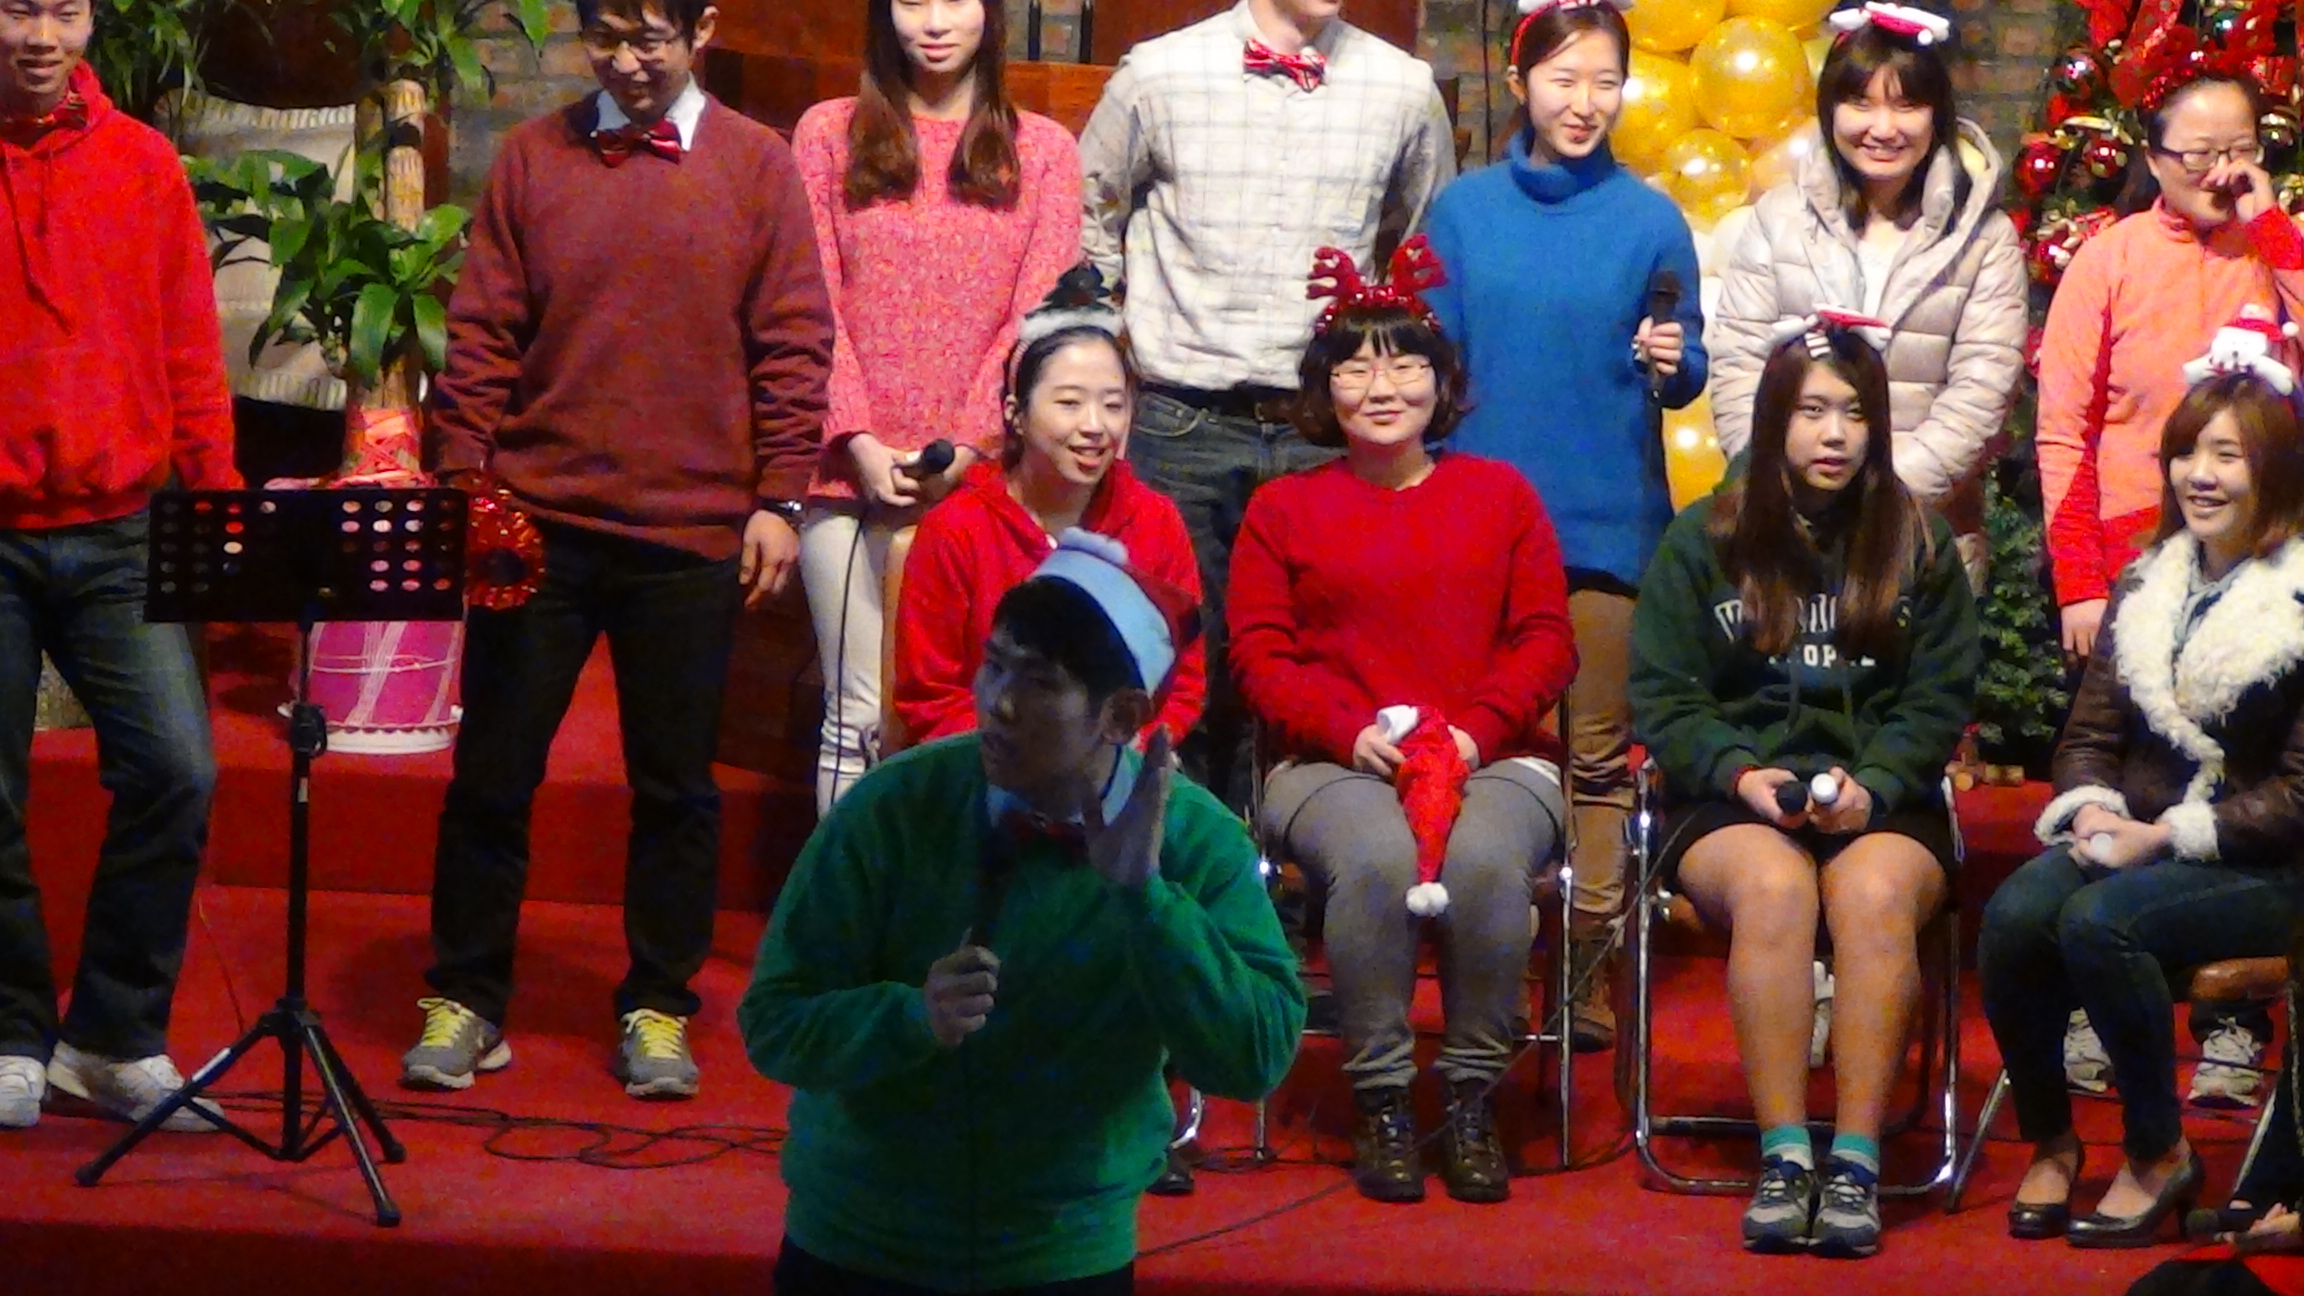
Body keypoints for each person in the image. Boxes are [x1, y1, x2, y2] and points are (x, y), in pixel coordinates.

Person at [405, 0, 832, 1100]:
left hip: (690, 529)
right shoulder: (533, 157)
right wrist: (462, 479)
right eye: (607, 39)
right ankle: (466, 997)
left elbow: (792, 338)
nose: (630, 62)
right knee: (492, 775)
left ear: (704, 30)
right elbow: (483, 329)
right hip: (537, 519)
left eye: (652, 40)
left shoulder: (758, 164)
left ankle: (656, 1006)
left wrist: (780, 496)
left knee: (676, 789)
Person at [741, 531, 1303, 1296]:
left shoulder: (1193, 840)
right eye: (994, 664)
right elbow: (774, 1024)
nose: (998, 703)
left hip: (1064, 1253)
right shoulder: (896, 805)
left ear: (1121, 715)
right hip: (859, 1237)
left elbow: (1253, 1058)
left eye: (1039, 683)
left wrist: (1147, 900)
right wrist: (909, 1018)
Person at [1230, 240, 1575, 1204]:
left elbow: (1548, 640)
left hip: (1492, 752)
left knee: (1483, 861)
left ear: (1441, 379)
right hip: (1332, 760)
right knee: (1378, 858)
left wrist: (1474, 731)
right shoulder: (1283, 508)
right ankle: (1383, 1094)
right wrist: (1347, 731)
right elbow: (1259, 655)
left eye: (1404, 363)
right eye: (1354, 367)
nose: (1382, 387)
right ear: (1323, 388)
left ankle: (1470, 1095)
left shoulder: (1501, 496)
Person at [1628, 318, 1978, 1257]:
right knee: (1776, 887)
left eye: (1855, 414)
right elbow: (1664, 696)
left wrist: (1877, 783)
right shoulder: (1705, 537)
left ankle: (1854, 1163)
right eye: (1813, 411)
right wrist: (1739, 773)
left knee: (1872, 894)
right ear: (1775, 419)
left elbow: (1939, 699)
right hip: (1732, 790)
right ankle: (1785, 1157)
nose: (1834, 434)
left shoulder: (1919, 541)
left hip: (1882, 794)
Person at [1078, 0, 1455, 815]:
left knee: (1310, 679)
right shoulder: (1159, 72)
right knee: (1173, 671)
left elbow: (1419, 243)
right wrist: (1112, 348)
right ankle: (1175, 869)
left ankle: (1278, 877)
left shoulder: (1403, 87)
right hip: (1179, 418)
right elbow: (1089, 215)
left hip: (1323, 428)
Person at [1419, 0, 1705, 1053]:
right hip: (1478, 530)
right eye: (1564, 79)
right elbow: (1431, 370)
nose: (1585, 102)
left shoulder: (1650, 220)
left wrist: (1674, 361)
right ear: (1520, 82)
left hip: (1605, 527)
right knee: (1479, 752)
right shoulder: (1461, 213)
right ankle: (1481, 975)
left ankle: (1583, 985)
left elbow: (1689, 364)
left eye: (1605, 81)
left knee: (1596, 765)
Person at [1978, 359, 2304, 1250]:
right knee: (2013, 916)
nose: (2201, 475)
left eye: (2228, 456)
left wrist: (2161, 836)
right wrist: (2090, 813)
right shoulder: (2146, 581)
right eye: (2187, 453)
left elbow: (2297, 792)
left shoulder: (2298, 597)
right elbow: (2087, 737)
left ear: (2274, 469)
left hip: (2260, 863)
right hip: (2132, 838)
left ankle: (2159, 1151)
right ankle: (2051, 1139)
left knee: (2099, 923)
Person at [2035, 67, 2304, 1104]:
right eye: (2197, 153)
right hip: (2130, 571)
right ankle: (2097, 1007)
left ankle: (2232, 1027)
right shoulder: (2109, 258)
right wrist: (2079, 582)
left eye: (2239, 148)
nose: (2220, 170)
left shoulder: (2277, 248)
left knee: (2242, 786)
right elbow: (2062, 430)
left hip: (2260, 573)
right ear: (2153, 159)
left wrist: (2273, 231)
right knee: (2128, 779)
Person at [0, 2, 240, 1132]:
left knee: (177, 770)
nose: (41, 33)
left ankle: (110, 1036)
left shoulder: (142, 162)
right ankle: (10, 1032)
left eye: (64, 7)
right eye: (17, 6)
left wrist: (222, 501)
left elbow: (190, 341)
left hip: (121, 527)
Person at [792, 0, 1082, 812]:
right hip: (848, 477)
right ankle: (853, 894)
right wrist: (857, 438)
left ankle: (958, 888)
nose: (934, 21)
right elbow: (809, 303)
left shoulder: (1043, 150)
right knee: (856, 718)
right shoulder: (828, 133)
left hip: (985, 482)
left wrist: (968, 446)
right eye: (913, 0)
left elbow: (1037, 317)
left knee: (980, 717)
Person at [1710, 2, 2023, 588]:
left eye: (1906, 105)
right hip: (1785, 533)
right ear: (1830, 108)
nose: (1882, 128)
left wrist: (1878, 502)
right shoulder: (1779, 219)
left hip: (1919, 537)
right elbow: (1737, 363)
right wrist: (1784, 488)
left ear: (1937, 114)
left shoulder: (1984, 238)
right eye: (1860, 102)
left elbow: (1981, 393)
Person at [890, 268, 1204, 750]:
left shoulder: (1155, 521)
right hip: (986, 764)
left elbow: (1181, 684)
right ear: (1015, 413)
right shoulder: (956, 529)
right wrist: (1042, 757)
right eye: (1070, 403)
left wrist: (1119, 753)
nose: (1095, 426)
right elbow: (930, 699)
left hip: (1120, 765)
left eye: (1113, 405)